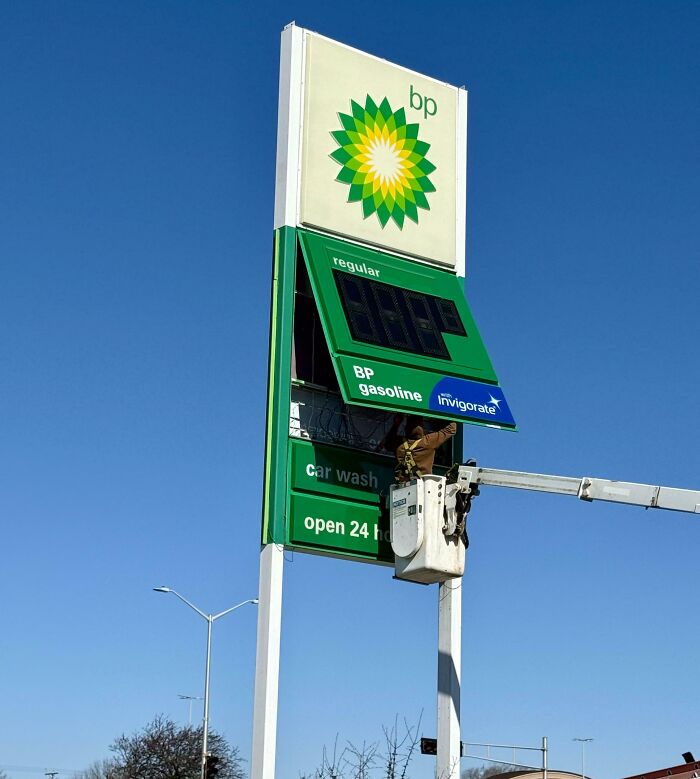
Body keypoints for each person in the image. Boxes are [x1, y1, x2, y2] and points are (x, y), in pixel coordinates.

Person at [380, 413, 457, 482]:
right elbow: (452, 429)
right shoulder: (428, 441)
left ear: (406, 428)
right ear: (422, 428)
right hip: (424, 485)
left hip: (404, 486)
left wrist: (396, 424)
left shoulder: (399, 444)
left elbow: (388, 444)